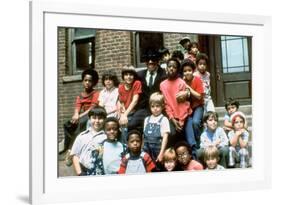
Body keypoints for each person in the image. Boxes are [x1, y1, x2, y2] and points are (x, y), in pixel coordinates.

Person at [59, 69, 99, 155]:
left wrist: (79, 117)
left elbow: (91, 109)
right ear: (83, 81)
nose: (87, 83)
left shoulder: (96, 93)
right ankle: (67, 146)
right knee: (68, 124)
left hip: (92, 115)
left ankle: (72, 150)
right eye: (85, 80)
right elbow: (77, 107)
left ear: (93, 82)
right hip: (83, 115)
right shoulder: (80, 95)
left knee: (80, 123)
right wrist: (76, 115)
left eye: (90, 81)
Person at [160, 58, 193, 148]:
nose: (171, 68)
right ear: (166, 68)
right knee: (172, 134)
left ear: (177, 70)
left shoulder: (181, 82)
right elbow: (166, 104)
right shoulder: (163, 85)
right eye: (169, 66)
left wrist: (181, 121)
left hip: (185, 116)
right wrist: (173, 120)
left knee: (190, 141)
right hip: (172, 117)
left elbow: (184, 105)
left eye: (174, 67)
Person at [176, 59, 204, 154]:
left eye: (189, 70)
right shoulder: (181, 81)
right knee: (188, 124)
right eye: (185, 71)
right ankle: (191, 147)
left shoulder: (197, 80)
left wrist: (189, 89)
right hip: (187, 108)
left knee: (195, 122)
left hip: (198, 106)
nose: (187, 72)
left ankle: (199, 141)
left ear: (193, 71)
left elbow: (199, 96)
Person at [135, 49, 167, 131]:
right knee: (131, 124)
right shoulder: (139, 75)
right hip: (144, 108)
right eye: (148, 60)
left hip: (159, 108)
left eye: (153, 60)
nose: (150, 62)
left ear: (158, 61)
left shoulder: (164, 74)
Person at [69, 106, 107, 176]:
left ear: (105, 119)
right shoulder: (82, 136)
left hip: (102, 172)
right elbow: (75, 155)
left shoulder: (107, 137)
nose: (97, 121)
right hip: (84, 171)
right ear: (89, 119)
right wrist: (79, 172)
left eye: (100, 118)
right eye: (94, 118)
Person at [143, 92, 170, 170]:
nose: (155, 108)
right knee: (147, 168)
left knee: (158, 168)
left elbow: (165, 138)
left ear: (162, 106)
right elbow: (144, 136)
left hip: (158, 149)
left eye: (157, 106)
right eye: (152, 106)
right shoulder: (147, 119)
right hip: (146, 149)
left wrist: (161, 153)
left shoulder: (164, 119)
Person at [118, 65, 142, 143]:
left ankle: (126, 147)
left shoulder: (136, 83)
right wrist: (122, 113)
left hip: (134, 111)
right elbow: (121, 102)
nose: (129, 77)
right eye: (126, 75)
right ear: (123, 76)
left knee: (125, 126)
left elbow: (135, 101)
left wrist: (125, 115)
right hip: (126, 112)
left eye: (131, 75)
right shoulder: (121, 87)